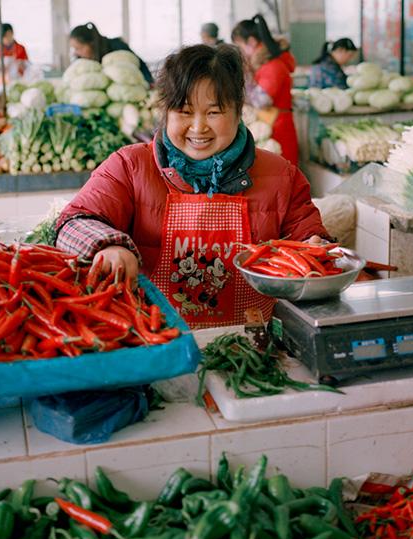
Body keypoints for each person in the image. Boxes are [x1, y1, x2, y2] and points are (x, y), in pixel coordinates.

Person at [55, 44, 328, 328]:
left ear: (238, 110)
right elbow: (71, 223)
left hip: (253, 350)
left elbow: (312, 242)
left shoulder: (281, 175)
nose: (198, 127)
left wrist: (315, 250)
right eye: (184, 111)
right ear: (166, 112)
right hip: (159, 345)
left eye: (213, 112)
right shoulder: (130, 165)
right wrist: (108, 246)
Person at [232, 15, 299, 165]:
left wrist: (246, 77)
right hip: (272, 123)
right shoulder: (266, 64)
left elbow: (261, 101)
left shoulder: (273, 66)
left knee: (283, 173)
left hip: (278, 128)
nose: (241, 52)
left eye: (241, 46)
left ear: (251, 41)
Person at [69, 23, 153, 84]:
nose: (76, 53)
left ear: (91, 43)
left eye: (78, 48)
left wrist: (149, 82)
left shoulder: (116, 46)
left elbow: (140, 65)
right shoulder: (82, 62)